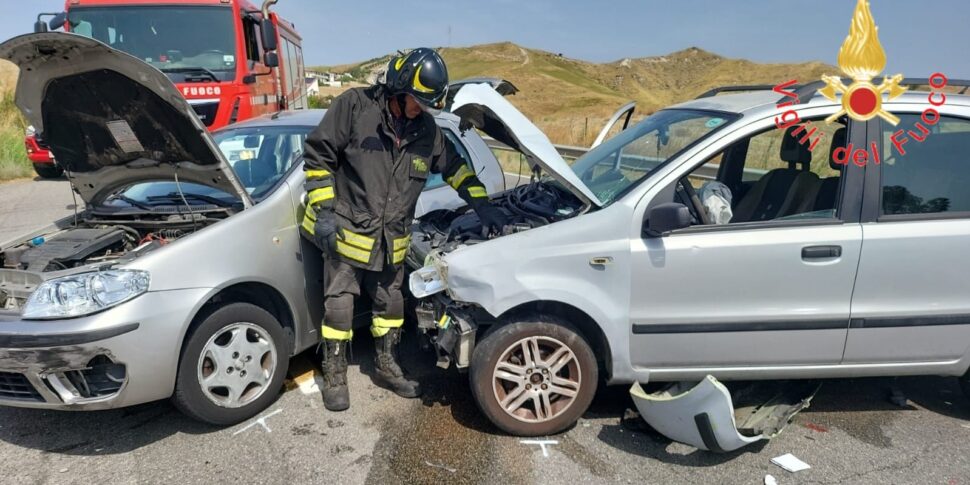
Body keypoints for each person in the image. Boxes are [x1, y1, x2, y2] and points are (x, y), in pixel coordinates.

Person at [300, 48, 507, 411]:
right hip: (348, 231)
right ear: (397, 89)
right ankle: (334, 373)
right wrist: (326, 212)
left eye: (427, 104)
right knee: (339, 307)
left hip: (392, 239)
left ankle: (386, 366)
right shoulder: (354, 108)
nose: (421, 109)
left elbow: (455, 169)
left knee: (392, 305)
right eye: (417, 101)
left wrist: (482, 205)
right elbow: (318, 155)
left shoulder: (427, 131)